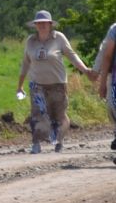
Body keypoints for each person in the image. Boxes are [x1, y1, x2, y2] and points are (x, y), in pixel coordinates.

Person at [16, 9, 93, 154]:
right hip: (37, 85)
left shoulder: (59, 38)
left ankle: (59, 140)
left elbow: (72, 55)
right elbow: (25, 63)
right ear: (35, 25)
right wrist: (19, 86)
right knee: (37, 114)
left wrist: (85, 70)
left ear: (50, 24)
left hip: (57, 85)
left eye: (45, 23)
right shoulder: (30, 41)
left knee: (58, 116)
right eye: (39, 23)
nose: (42, 25)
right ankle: (36, 144)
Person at [95, 22, 116, 161]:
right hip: (115, 77)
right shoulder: (115, 29)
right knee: (112, 108)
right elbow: (107, 56)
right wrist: (102, 83)